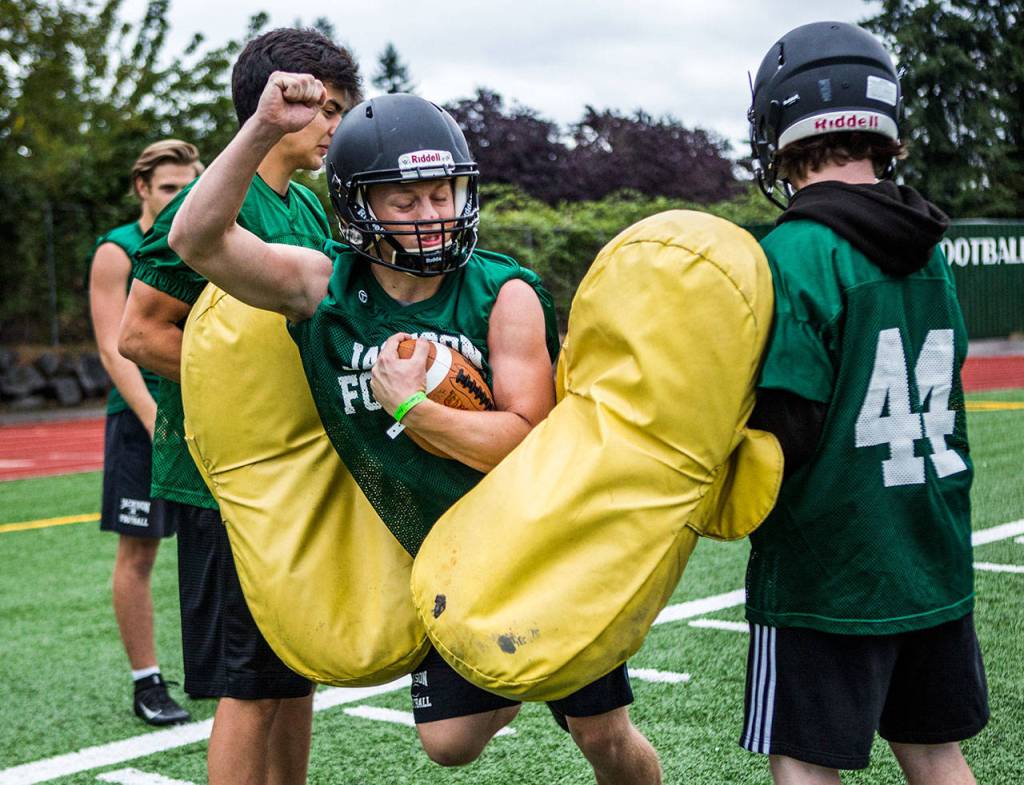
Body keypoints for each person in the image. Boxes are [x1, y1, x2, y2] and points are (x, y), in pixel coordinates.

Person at [167, 74, 663, 785]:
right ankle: (513, 673)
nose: (431, 214)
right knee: (448, 742)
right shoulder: (322, 288)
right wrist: (265, 128)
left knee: (602, 735)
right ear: (356, 205)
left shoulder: (504, 291)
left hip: (542, 540)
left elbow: (527, 440)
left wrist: (413, 410)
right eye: (405, 199)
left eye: (443, 194)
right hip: (443, 560)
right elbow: (196, 238)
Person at [741, 21, 988, 784]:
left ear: (779, 128)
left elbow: (787, 420)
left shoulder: (793, 252)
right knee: (935, 752)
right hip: (931, 546)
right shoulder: (930, 247)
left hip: (831, 570)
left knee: (805, 761)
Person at [118, 29, 361, 785]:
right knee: (248, 684)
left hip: (293, 479)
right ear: (279, 104)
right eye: (328, 109)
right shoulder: (217, 198)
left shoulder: (312, 210)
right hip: (225, 479)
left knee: (295, 669)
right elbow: (141, 332)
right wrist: (248, 401)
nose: (334, 127)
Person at [88, 139, 203, 726]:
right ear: (142, 188)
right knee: (139, 553)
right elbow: (116, 348)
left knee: (221, 545)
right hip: (142, 423)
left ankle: (220, 665)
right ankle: (147, 682)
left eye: (188, 185)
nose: (179, 196)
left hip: (205, 415)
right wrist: (156, 418)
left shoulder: (204, 238)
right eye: (166, 188)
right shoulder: (117, 250)